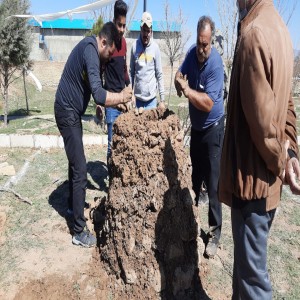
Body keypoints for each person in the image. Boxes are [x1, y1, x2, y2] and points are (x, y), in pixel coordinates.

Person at [219, 0, 300, 298]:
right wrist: (290, 156)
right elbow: (287, 105)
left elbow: (263, 125)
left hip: (252, 183)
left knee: (252, 283)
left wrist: (282, 160)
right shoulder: (280, 28)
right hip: (268, 182)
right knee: (244, 274)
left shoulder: (254, 33)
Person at [54, 22, 132, 248]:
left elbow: (94, 87)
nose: (109, 57)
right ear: (103, 42)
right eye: (109, 52)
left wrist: (111, 104)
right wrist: (122, 97)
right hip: (66, 111)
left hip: (71, 112)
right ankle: (78, 230)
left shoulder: (95, 55)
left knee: (75, 161)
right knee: (80, 167)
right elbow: (99, 93)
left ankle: (72, 205)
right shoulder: (90, 49)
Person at [174, 16, 224, 258]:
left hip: (213, 129)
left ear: (211, 40)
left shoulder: (215, 64)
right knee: (194, 178)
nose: (201, 49)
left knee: (213, 186)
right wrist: (177, 81)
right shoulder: (192, 54)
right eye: (199, 43)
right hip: (196, 129)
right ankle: (191, 224)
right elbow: (180, 74)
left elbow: (207, 103)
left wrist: (187, 90)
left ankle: (214, 233)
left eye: (205, 44)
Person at [99, 0, 130, 164]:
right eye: (119, 25)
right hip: (111, 103)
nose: (122, 30)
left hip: (124, 102)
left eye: (124, 26)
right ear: (114, 21)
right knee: (112, 146)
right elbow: (99, 72)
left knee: (123, 144)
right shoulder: (107, 44)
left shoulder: (124, 43)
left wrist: (129, 85)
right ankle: (111, 184)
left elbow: (124, 69)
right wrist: (100, 102)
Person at [130, 11, 165, 110]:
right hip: (137, 101)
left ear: (151, 31)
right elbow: (131, 73)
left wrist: (162, 100)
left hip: (151, 101)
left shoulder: (155, 48)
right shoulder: (134, 47)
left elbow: (159, 74)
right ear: (140, 29)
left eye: (148, 31)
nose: (146, 34)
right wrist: (130, 95)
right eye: (144, 30)